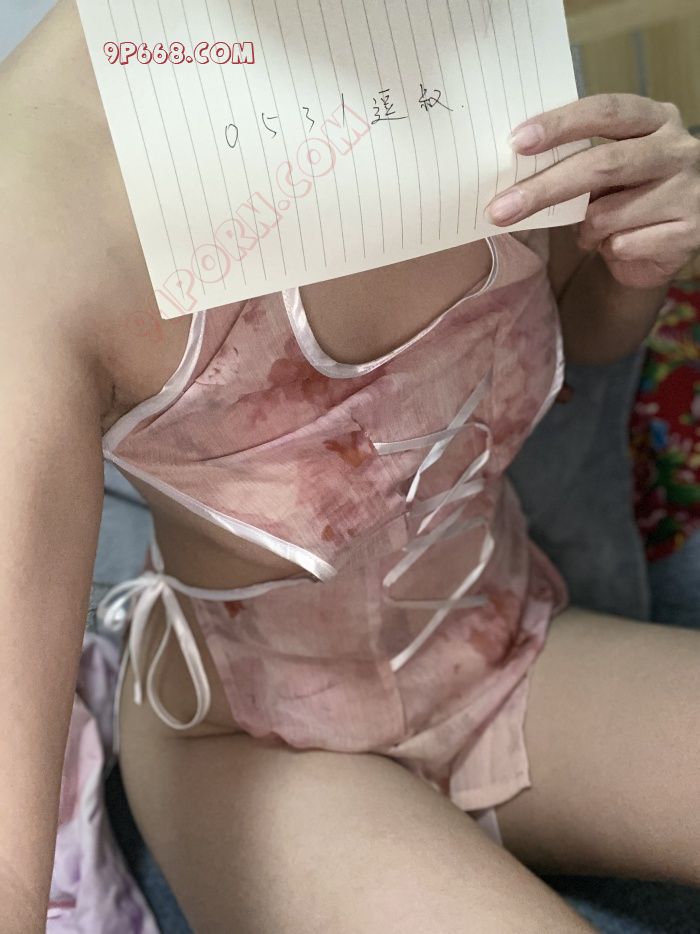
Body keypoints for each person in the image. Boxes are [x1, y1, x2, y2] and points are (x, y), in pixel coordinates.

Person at [2, 2, 700, 932]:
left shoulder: (477, 35)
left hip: (502, 637)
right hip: (255, 738)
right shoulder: (39, 191)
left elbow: (576, 337)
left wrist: (636, 257)